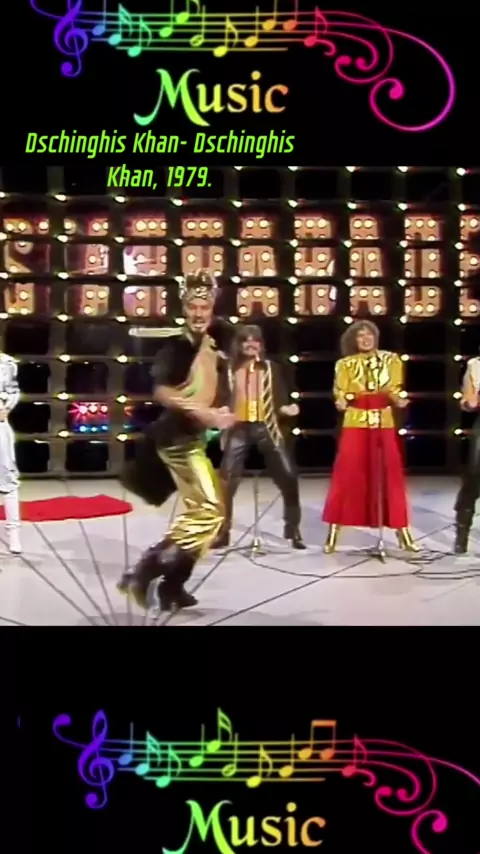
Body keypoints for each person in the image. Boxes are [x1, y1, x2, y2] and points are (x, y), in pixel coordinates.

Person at [117, 271, 235, 611]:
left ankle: (172, 586)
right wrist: (203, 412)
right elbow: (163, 392)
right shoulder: (176, 348)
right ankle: (145, 570)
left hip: (195, 438)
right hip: (176, 440)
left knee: (203, 518)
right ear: (184, 309)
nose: (198, 313)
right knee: (210, 513)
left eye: (204, 307)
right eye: (193, 307)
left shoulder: (213, 342)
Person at [322, 320, 419, 554]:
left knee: (390, 477)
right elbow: (341, 391)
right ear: (354, 340)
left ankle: (403, 533)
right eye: (360, 335)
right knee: (346, 475)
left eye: (369, 335)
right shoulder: (345, 364)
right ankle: (333, 534)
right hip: (355, 423)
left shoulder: (391, 360)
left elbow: (394, 389)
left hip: (383, 423)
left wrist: (398, 400)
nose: (365, 339)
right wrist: (342, 400)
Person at [212, 324, 305, 550]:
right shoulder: (229, 369)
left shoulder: (272, 368)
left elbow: (282, 397)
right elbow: (221, 397)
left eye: (255, 340)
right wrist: (221, 410)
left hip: (267, 426)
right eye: (246, 340)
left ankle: (293, 528)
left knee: (288, 475)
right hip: (239, 427)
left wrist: (287, 409)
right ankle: (223, 532)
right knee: (226, 481)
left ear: (261, 345)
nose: (251, 344)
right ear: (239, 344)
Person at [453, 355, 480, 554]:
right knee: (473, 477)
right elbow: (466, 401)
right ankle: (461, 536)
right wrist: (469, 402)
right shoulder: (475, 365)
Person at [0, 351, 22, 553]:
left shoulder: (6, 363)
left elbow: (13, 390)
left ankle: (13, 532)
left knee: (7, 477)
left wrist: (6, 408)